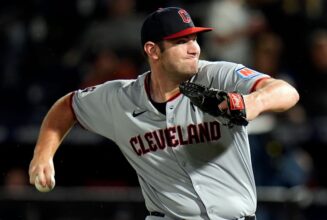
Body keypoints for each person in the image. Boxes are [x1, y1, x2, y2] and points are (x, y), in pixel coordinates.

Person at [28, 7, 299, 220]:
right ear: (153, 50)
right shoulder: (120, 99)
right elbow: (68, 106)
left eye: (194, 39)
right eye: (182, 41)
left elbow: (287, 92)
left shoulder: (217, 76)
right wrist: (43, 155)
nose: (195, 48)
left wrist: (252, 102)